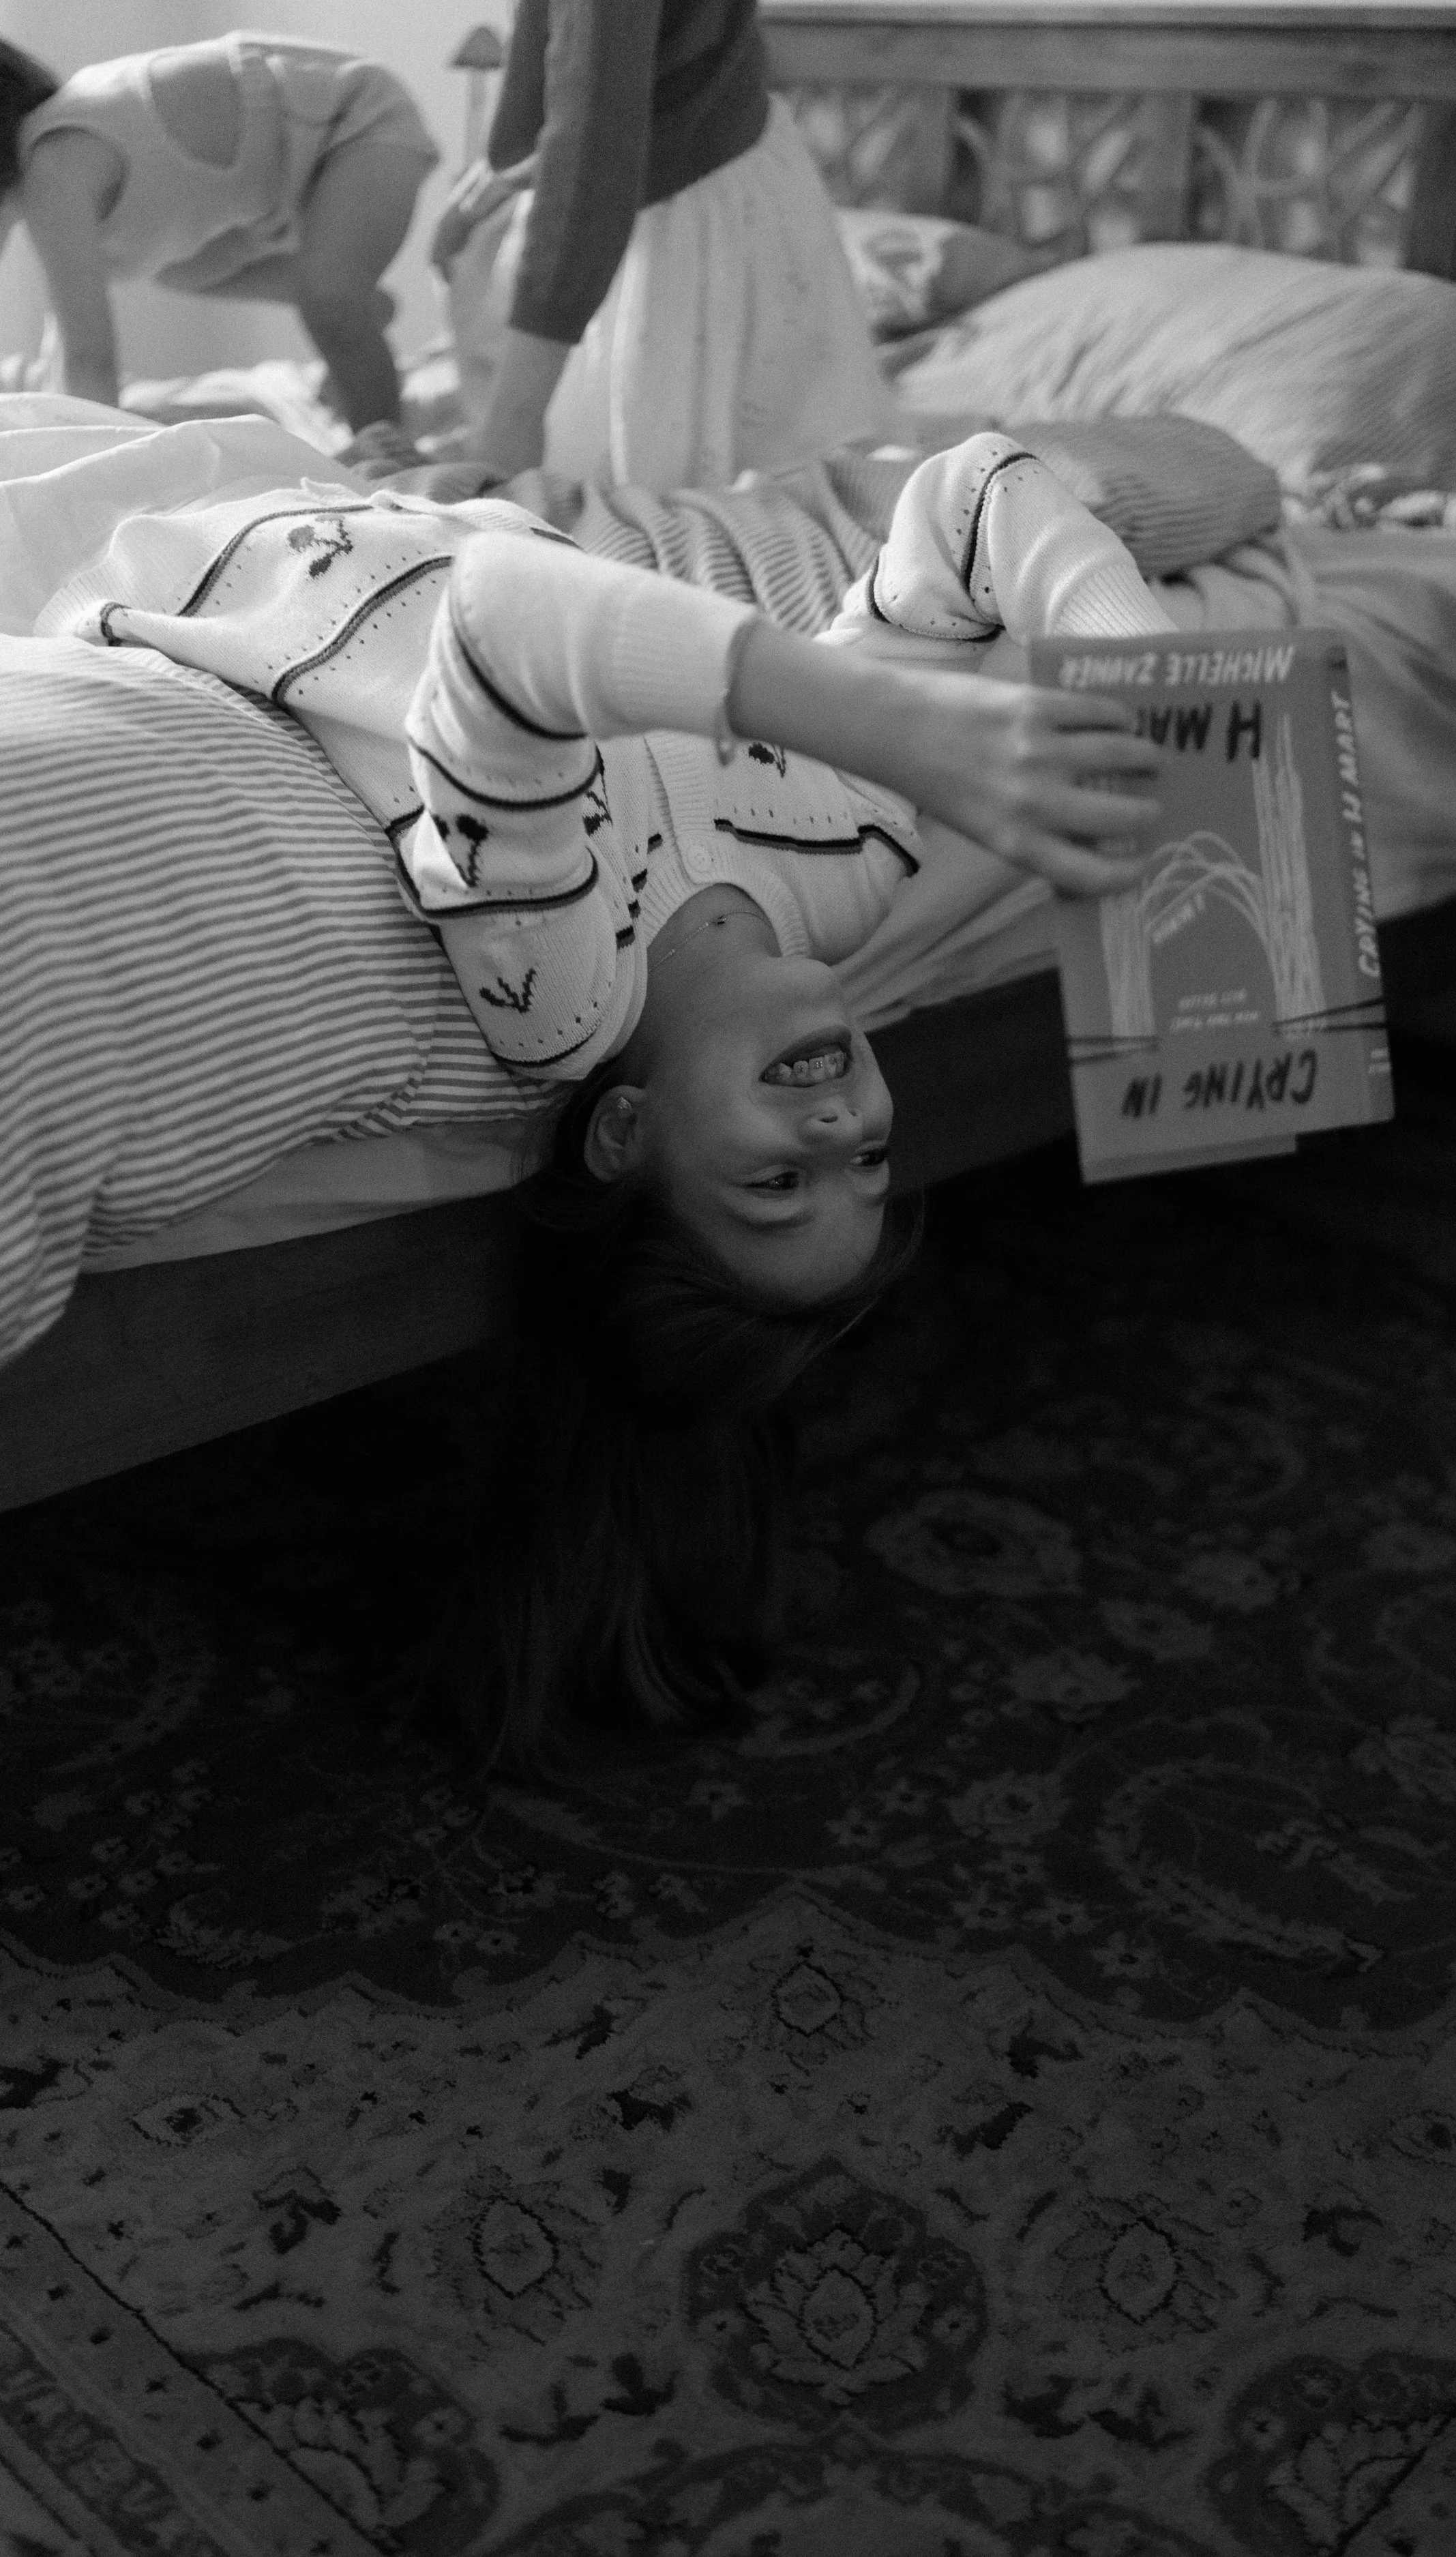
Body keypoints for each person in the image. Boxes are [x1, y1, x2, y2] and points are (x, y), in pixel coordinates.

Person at [39, 430, 1174, 1769]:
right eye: (866, 1165)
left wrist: (884, 719)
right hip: (349, 487)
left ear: (627, 1134)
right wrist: (1152, 672)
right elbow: (973, 498)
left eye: (773, 1181)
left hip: (175, 533)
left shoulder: (561, 994)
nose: (839, 1134)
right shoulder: (858, 862)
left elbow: (503, 620)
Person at [430, 0, 894, 491]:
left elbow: (594, 151)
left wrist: (515, 419)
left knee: (636, 511)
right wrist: (511, 168)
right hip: (705, 192)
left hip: (673, 234)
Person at [0, 33, 438, 430]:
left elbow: (89, 358)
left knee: (330, 301)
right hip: (282, 179)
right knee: (177, 269)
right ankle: (356, 307)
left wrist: (89, 455)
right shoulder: (57, 159)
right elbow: (69, 327)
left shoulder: (55, 169)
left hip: (360, 122)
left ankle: (387, 447)